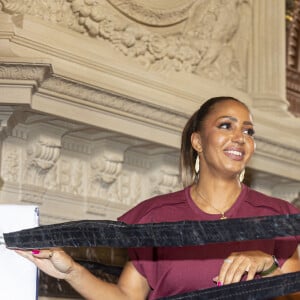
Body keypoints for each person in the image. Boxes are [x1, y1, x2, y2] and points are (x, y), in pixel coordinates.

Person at [17, 96, 300, 299]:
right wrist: (71, 272)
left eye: (248, 131)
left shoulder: (278, 216)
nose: (240, 137)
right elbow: (128, 296)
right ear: (198, 141)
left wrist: (269, 266)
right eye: (226, 126)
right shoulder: (156, 216)